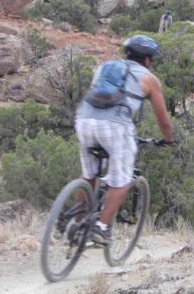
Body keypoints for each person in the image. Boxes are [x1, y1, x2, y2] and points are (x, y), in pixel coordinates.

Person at [74, 35, 174, 244]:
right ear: (147, 60)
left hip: (83, 120)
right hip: (115, 125)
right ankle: (100, 228)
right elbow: (163, 120)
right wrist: (168, 139)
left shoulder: (103, 68)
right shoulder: (149, 79)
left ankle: (78, 224)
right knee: (122, 179)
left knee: (89, 175)